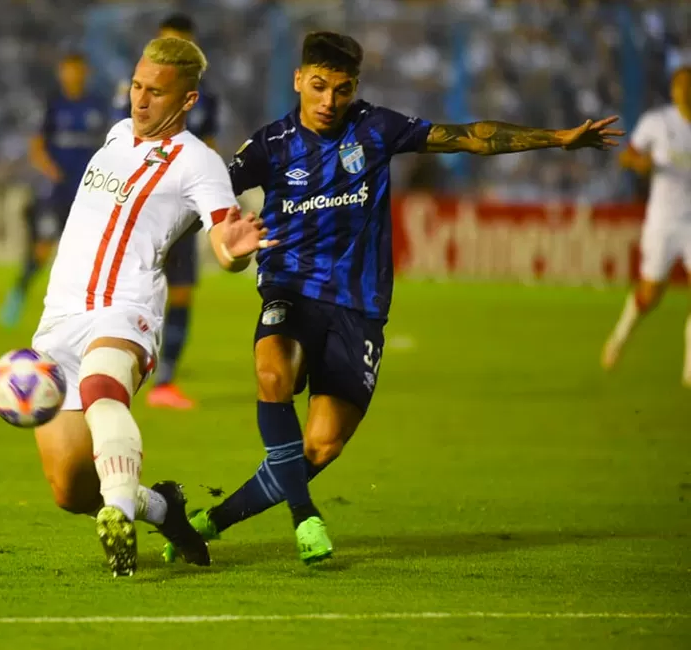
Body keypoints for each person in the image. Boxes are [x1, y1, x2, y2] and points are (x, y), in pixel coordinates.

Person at [163, 31, 623, 565]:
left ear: (354, 87)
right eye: (318, 87)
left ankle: (208, 522)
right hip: (291, 288)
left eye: (341, 89)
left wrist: (558, 138)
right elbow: (202, 195)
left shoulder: (376, 128)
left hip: (360, 308)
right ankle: (304, 515)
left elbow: (469, 136)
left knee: (321, 445)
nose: (329, 101)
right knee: (272, 374)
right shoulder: (269, 145)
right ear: (298, 81)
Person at [30, 36, 273, 577]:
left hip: (126, 307)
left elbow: (223, 239)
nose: (140, 101)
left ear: (187, 100)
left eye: (156, 93)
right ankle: (160, 507)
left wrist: (233, 254)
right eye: (137, 87)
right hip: (59, 319)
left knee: (103, 389)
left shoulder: (199, 162)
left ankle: (118, 517)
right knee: (69, 488)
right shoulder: (117, 135)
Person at [114, 14, 221, 409]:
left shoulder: (205, 99)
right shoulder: (135, 89)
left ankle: (166, 381)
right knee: (127, 288)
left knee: (181, 292)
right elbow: (123, 142)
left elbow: (208, 147)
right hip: (142, 204)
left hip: (181, 206)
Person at [0, 52, 109, 327]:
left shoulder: (97, 106)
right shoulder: (51, 105)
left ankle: (81, 310)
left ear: (86, 73)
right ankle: (19, 291)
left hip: (88, 191)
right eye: (69, 71)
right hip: (56, 190)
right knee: (43, 248)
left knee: (89, 253)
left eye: (79, 70)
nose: (74, 76)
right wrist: (53, 172)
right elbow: (36, 148)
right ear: (62, 73)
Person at [601, 65, 691, 388]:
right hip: (664, 220)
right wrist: (641, 163)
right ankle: (620, 337)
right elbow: (627, 157)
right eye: (679, 85)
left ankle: (689, 370)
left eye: (688, 84)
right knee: (651, 294)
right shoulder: (658, 123)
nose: (683, 90)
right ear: (673, 90)